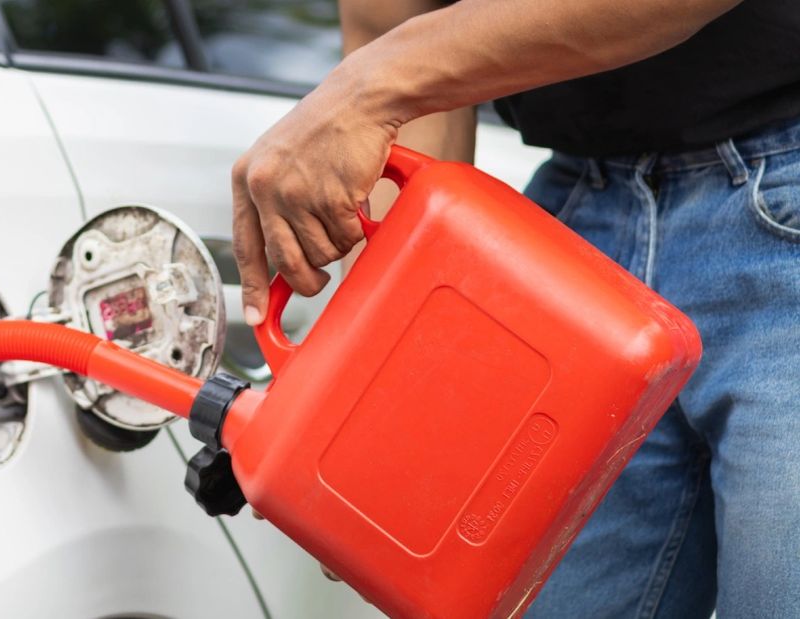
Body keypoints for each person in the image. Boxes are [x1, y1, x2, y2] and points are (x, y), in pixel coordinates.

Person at [230, 0, 800, 616]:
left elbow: (393, 65)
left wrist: (367, 87)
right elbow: (389, 23)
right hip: (575, 227)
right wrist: (409, 409)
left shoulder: (380, 79)